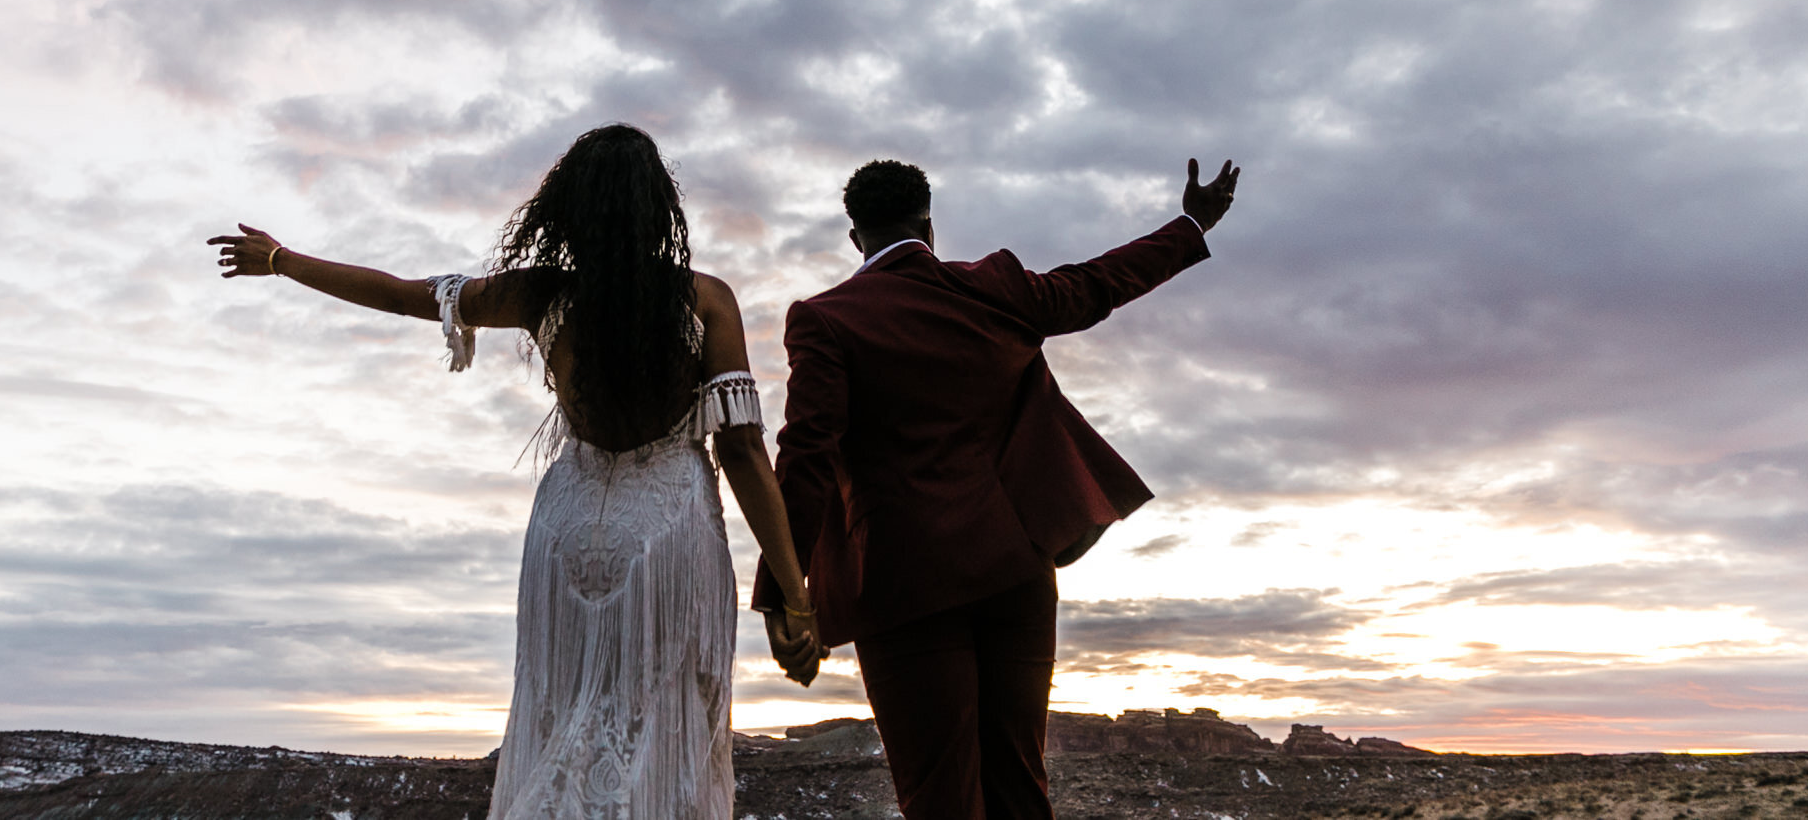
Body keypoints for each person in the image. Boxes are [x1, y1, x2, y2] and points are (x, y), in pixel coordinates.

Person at [208, 122, 820, 820]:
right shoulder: (704, 299)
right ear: (661, 209)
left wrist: (283, 260)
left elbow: (406, 293)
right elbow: (741, 450)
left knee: (560, 723)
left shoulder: (539, 295)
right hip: (670, 533)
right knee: (663, 733)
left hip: (563, 532)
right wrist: (795, 599)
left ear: (569, 209)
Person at [755, 155, 1241, 820]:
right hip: (1015, 570)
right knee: (1018, 784)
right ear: (929, 225)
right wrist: (1190, 223)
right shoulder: (995, 285)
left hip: (905, 586)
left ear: (855, 238)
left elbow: (807, 452)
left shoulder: (827, 319)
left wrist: (786, 594)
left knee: (938, 795)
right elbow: (1097, 282)